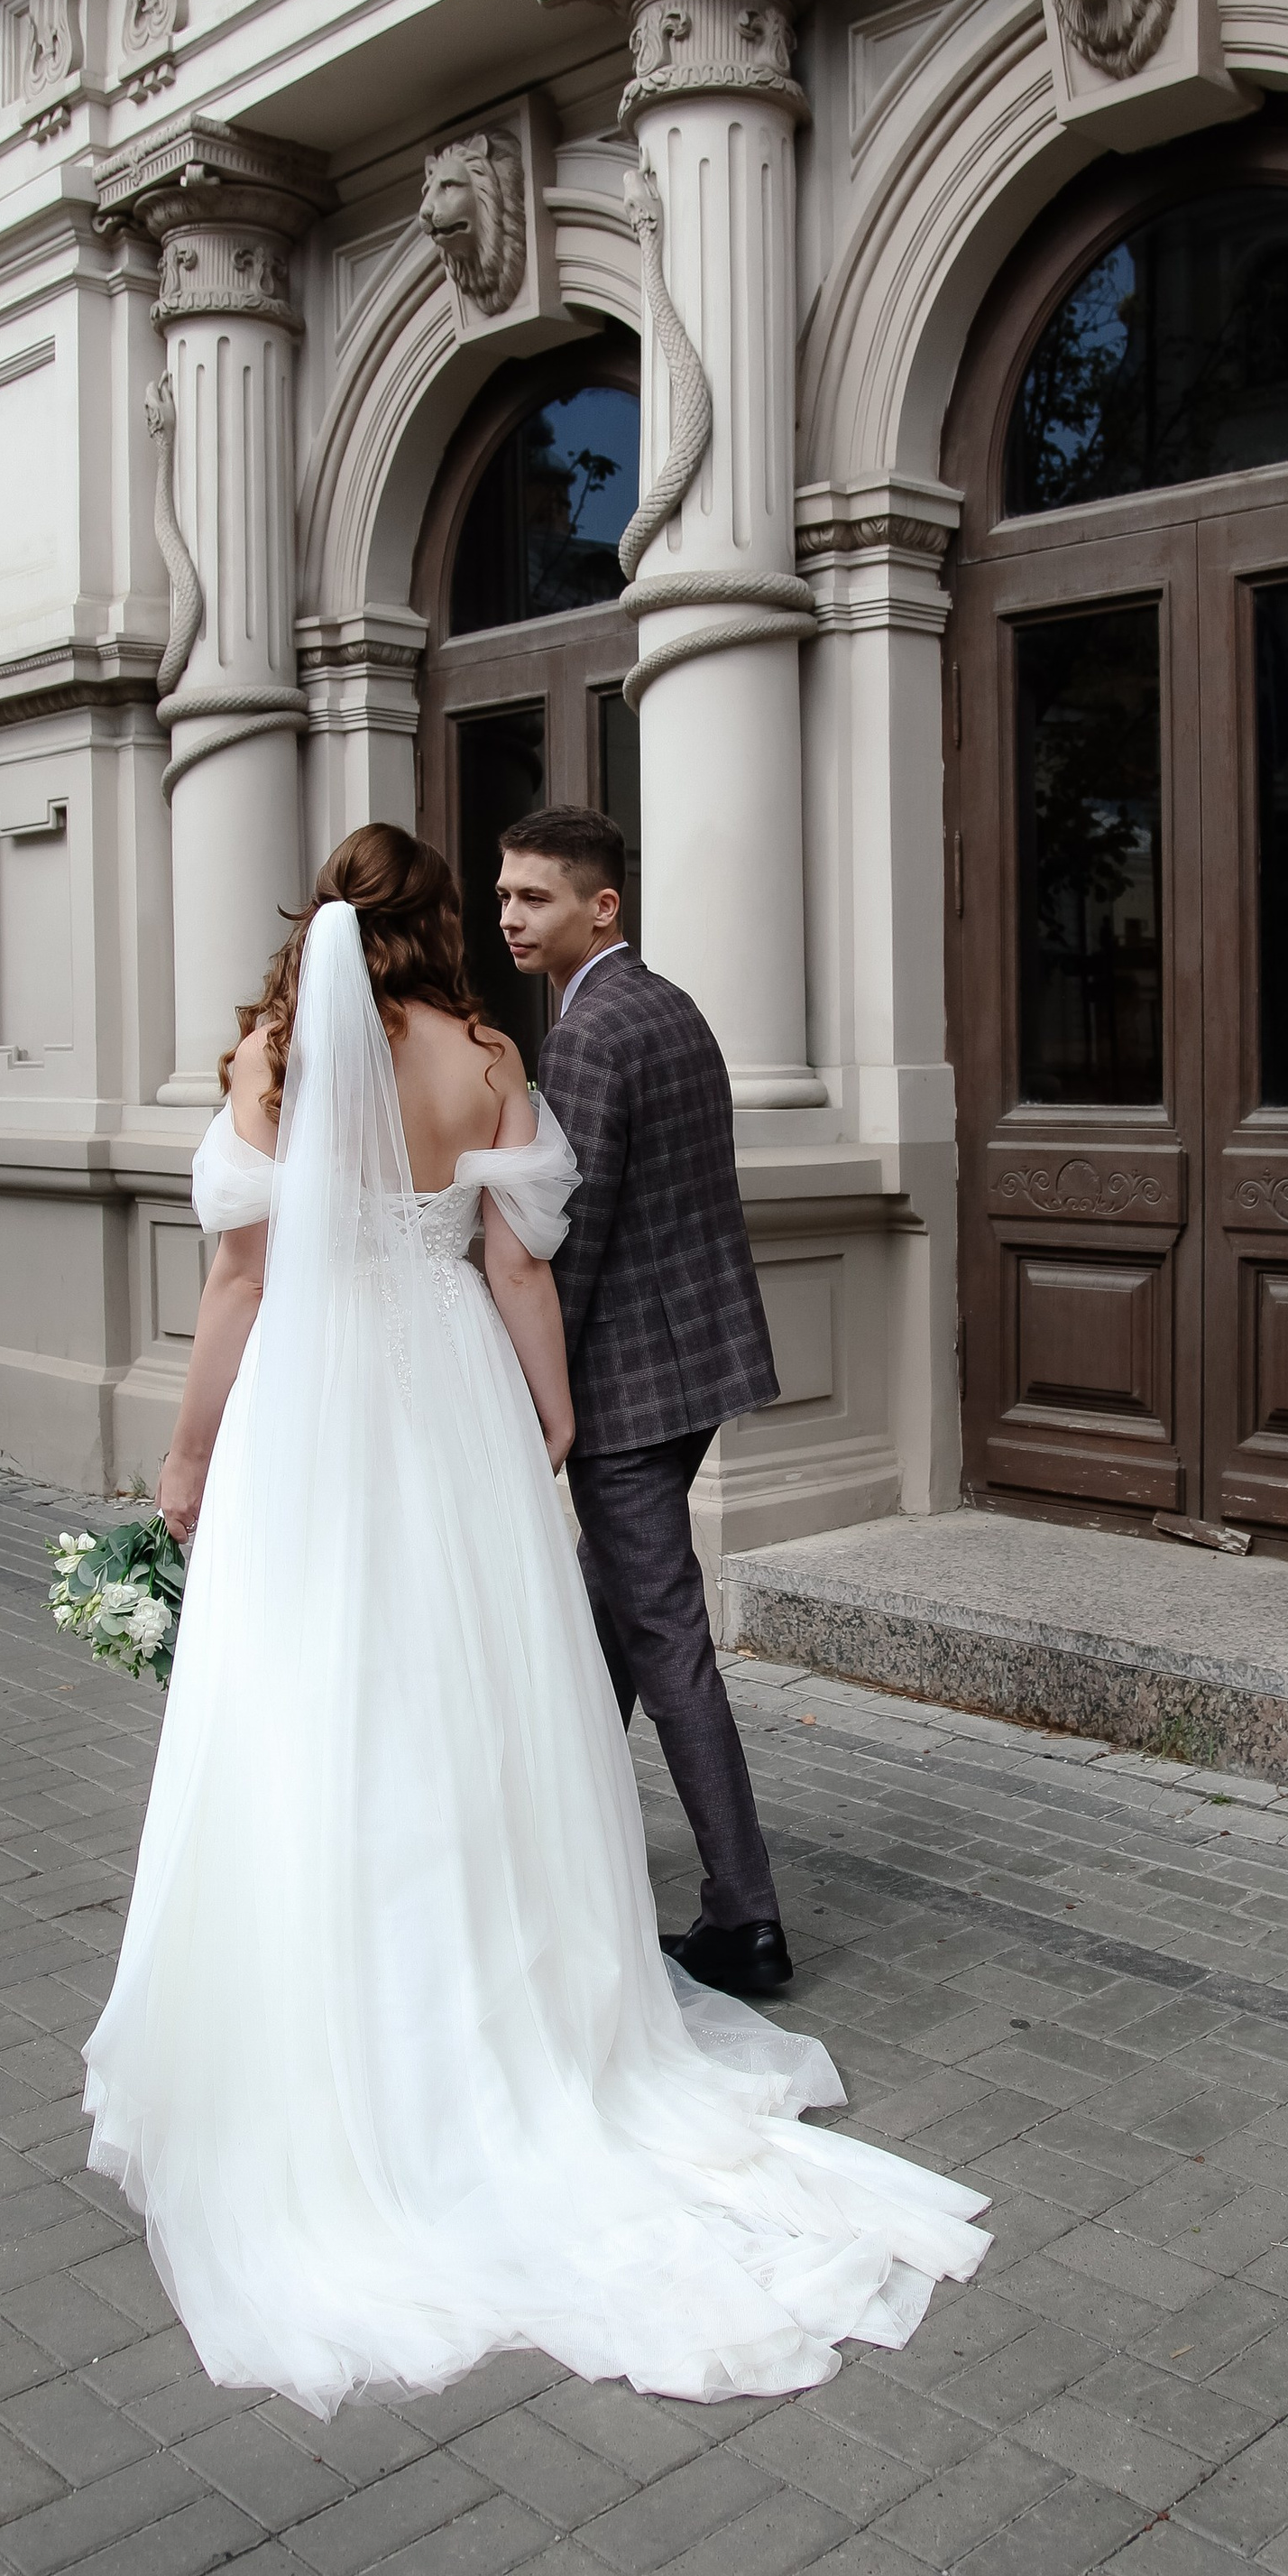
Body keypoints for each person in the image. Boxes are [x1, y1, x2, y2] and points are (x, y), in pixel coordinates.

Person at [80, 825, 986, 2415]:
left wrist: (188, 1450)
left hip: (308, 1409)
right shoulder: (493, 1057)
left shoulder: (267, 1062)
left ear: (323, 926)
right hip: (446, 1405)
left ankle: (319, 2019)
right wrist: (549, 1422)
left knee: (307, 1691)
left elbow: (237, 1282)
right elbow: (517, 1270)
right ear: (439, 927)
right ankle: (506, 2005)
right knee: (466, 1688)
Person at [495, 809, 792, 2001]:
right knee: (601, 1622)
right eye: (505, 896)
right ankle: (559, 1852)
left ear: (601, 906)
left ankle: (747, 1918)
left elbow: (575, 1236)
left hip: (624, 1385)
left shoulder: (586, 1036)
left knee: (662, 1636)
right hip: (697, 1365)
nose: (511, 916)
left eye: (535, 899)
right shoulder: (670, 1006)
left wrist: (536, 1402)